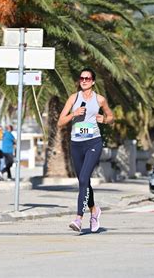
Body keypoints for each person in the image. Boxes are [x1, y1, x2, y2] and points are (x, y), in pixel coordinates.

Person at [58, 68, 114, 233]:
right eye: (82, 78)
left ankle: (78, 218)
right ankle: (94, 211)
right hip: (76, 144)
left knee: (83, 179)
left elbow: (112, 117)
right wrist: (73, 114)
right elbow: (60, 122)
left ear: (93, 81)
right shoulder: (73, 98)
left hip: (93, 143)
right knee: (85, 182)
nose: (84, 81)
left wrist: (104, 119)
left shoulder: (100, 99)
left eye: (88, 78)